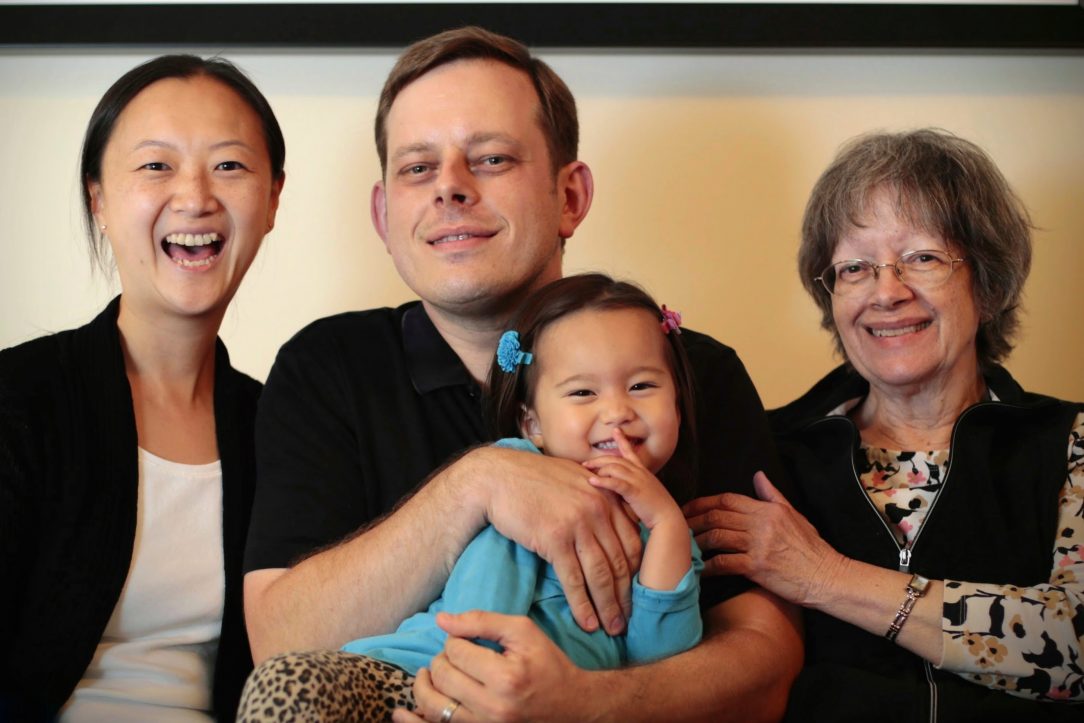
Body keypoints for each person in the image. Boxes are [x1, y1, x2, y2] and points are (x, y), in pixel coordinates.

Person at [243, 26, 801, 722]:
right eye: (418, 168)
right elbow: (281, 649)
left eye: (492, 158)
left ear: (570, 196)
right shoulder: (328, 367)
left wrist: (584, 706)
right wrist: (478, 484)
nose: (450, 187)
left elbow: (765, 662)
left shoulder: (688, 374)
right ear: (384, 216)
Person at [685, 128, 1084, 721]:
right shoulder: (768, 451)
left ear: (988, 284)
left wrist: (825, 576)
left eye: (922, 258)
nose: (886, 292)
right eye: (855, 267)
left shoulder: (1067, 442)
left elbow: (1075, 642)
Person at [237, 273, 705, 721]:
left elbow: (659, 658)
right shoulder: (519, 471)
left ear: (678, 406)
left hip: (546, 707)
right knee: (287, 684)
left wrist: (666, 524)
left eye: (642, 386)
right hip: (420, 673)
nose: (617, 411)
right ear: (533, 424)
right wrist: (470, 674)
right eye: (583, 392)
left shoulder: (669, 534)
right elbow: (487, 583)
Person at [0, 55, 285, 721]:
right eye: (156, 165)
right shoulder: (19, 399)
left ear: (273, 199)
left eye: (229, 165)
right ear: (98, 199)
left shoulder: (279, 427)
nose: (195, 196)